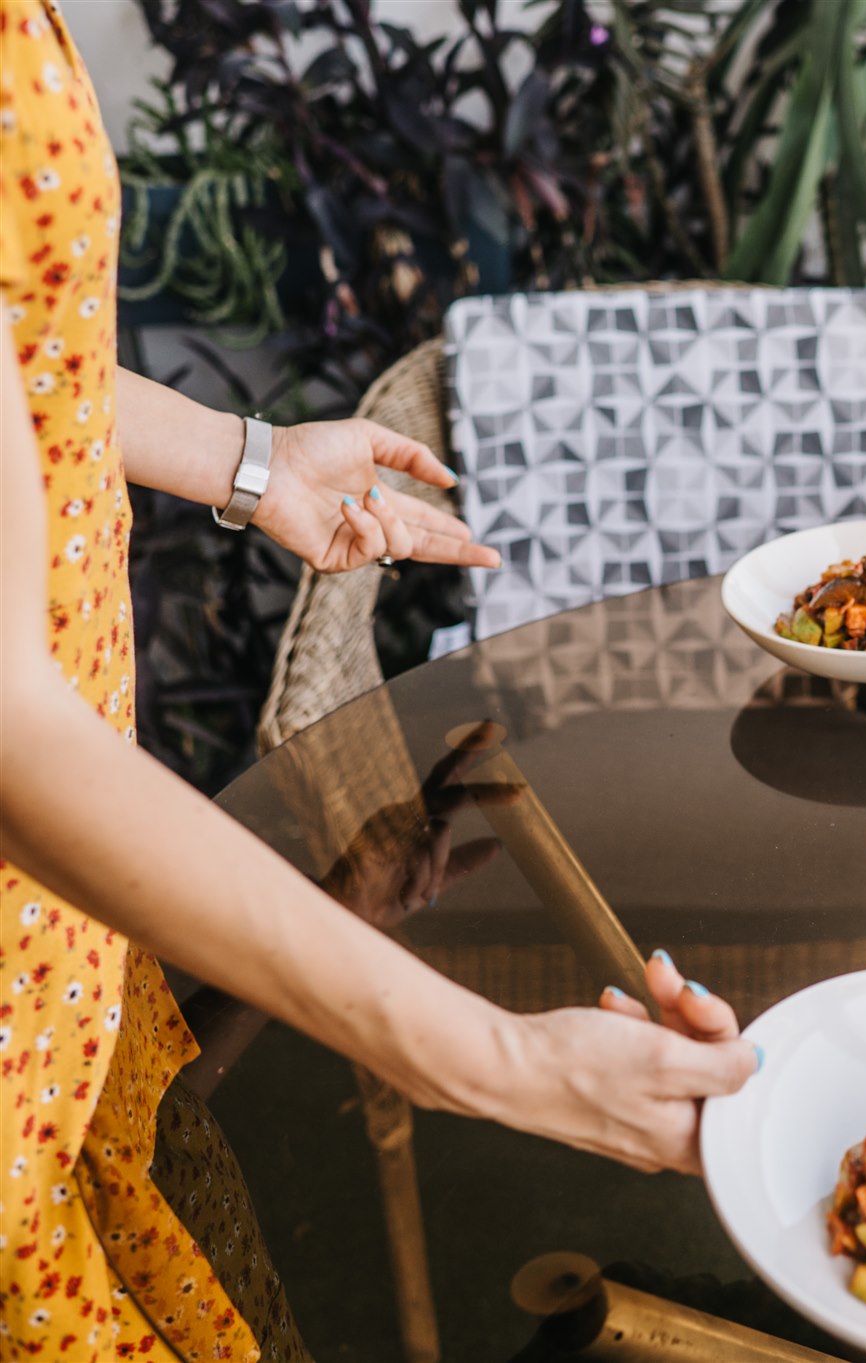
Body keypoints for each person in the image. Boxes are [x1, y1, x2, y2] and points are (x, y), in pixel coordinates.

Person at [0, 4, 759, 1357]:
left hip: (61, 951)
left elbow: (27, 345)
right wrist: (498, 1060)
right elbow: (10, 745)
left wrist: (250, 462)